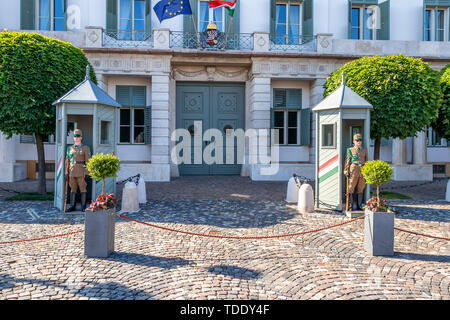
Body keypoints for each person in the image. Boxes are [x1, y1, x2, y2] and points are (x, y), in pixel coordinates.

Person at [65, 129, 91, 212]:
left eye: (78, 136)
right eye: (75, 136)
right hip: (72, 171)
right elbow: (67, 161)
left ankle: (83, 206)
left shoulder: (85, 148)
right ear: (73, 138)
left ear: (81, 138)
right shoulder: (70, 148)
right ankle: (73, 206)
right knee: (73, 189)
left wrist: (87, 172)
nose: (76, 138)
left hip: (81, 172)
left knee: (83, 189)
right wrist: (66, 172)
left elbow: (88, 161)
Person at [344, 133, 368, 211]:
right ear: (353, 141)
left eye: (360, 140)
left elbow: (367, 161)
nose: (359, 142)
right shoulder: (350, 150)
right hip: (353, 170)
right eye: (357, 140)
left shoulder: (364, 150)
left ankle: (359, 205)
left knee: (361, 187)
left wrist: (367, 171)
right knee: (351, 187)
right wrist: (346, 170)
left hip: (362, 171)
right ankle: (351, 205)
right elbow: (347, 161)